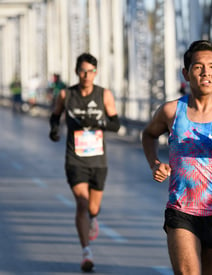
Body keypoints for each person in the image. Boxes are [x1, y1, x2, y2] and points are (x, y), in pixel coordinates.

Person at [142, 40, 212, 275]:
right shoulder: (171, 111)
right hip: (181, 211)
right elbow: (149, 135)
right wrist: (155, 163)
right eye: (198, 67)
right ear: (186, 73)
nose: (206, 72)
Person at [48, 53, 120, 272]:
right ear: (76, 72)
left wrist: (99, 124)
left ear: (95, 72)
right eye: (82, 71)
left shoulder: (104, 94)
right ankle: (86, 252)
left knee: (93, 207)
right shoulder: (65, 94)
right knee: (81, 202)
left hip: (98, 160)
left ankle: (93, 217)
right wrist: (54, 130)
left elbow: (116, 124)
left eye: (90, 71)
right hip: (75, 158)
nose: (86, 75)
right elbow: (55, 116)